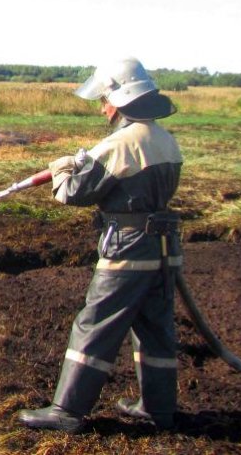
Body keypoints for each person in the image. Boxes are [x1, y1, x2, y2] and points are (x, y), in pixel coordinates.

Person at [18, 58, 183, 433]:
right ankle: (158, 410)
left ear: (121, 98)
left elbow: (74, 193)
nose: (102, 106)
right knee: (155, 329)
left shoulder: (122, 143)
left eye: (105, 98)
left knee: (95, 323)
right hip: (163, 250)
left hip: (128, 250)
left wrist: (61, 169)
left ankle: (66, 410)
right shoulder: (162, 138)